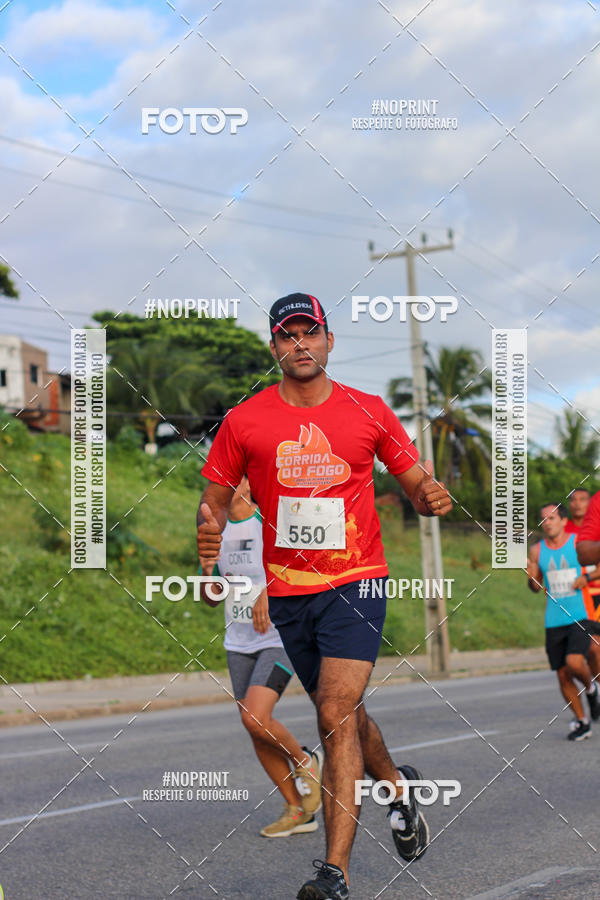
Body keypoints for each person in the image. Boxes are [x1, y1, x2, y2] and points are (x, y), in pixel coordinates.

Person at [196, 292, 452, 900]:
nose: (300, 344)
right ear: (274, 348)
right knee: (347, 716)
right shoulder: (245, 421)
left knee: (333, 711)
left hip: (357, 579)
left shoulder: (367, 410)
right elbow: (212, 495)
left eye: (310, 333)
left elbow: (413, 478)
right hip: (289, 594)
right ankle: (397, 788)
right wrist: (207, 538)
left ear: (330, 341)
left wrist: (427, 495)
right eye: (287, 335)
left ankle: (333, 872)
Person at [199, 475, 323, 838]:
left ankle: (305, 760)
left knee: (256, 717)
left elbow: (301, 567)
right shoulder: (215, 531)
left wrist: (270, 590)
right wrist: (207, 573)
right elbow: (211, 598)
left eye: (235, 477)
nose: (227, 484)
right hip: (238, 642)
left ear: (250, 484)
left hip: (279, 636)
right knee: (255, 728)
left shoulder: (268, 522)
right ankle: (298, 809)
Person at [527, 502, 600, 740]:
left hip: (580, 615)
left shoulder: (578, 543)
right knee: (562, 675)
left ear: (563, 520)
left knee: (575, 662)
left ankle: (591, 688)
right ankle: (582, 721)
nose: (547, 523)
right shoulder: (537, 551)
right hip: (553, 620)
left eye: (551, 518)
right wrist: (530, 576)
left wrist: (586, 577)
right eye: (543, 519)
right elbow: (536, 587)